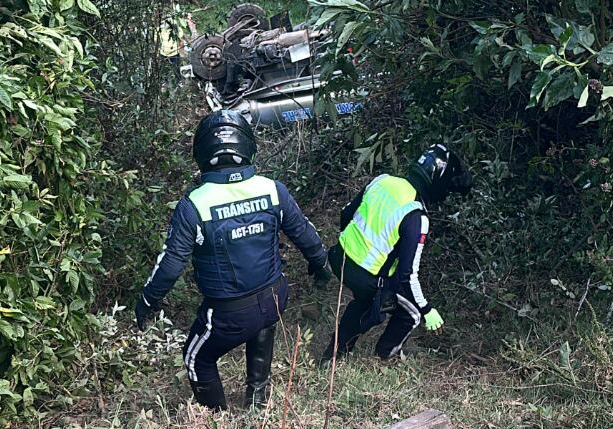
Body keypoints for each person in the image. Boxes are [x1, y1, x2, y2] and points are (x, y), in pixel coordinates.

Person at [135, 110, 331, 410]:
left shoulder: (195, 205)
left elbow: (171, 264)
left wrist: (147, 302)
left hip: (229, 313)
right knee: (263, 324)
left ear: (201, 152)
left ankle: (217, 420)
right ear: (248, 146)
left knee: (196, 358)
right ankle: (257, 402)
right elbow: (307, 235)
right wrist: (322, 268)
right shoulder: (272, 189)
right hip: (275, 297)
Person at [321, 144, 473, 365]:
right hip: (367, 276)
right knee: (411, 313)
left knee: (364, 302)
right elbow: (407, 275)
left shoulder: (382, 180)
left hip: (338, 257)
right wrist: (427, 308)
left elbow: (346, 214)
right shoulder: (416, 214)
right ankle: (386, 355)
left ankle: (333, 357)